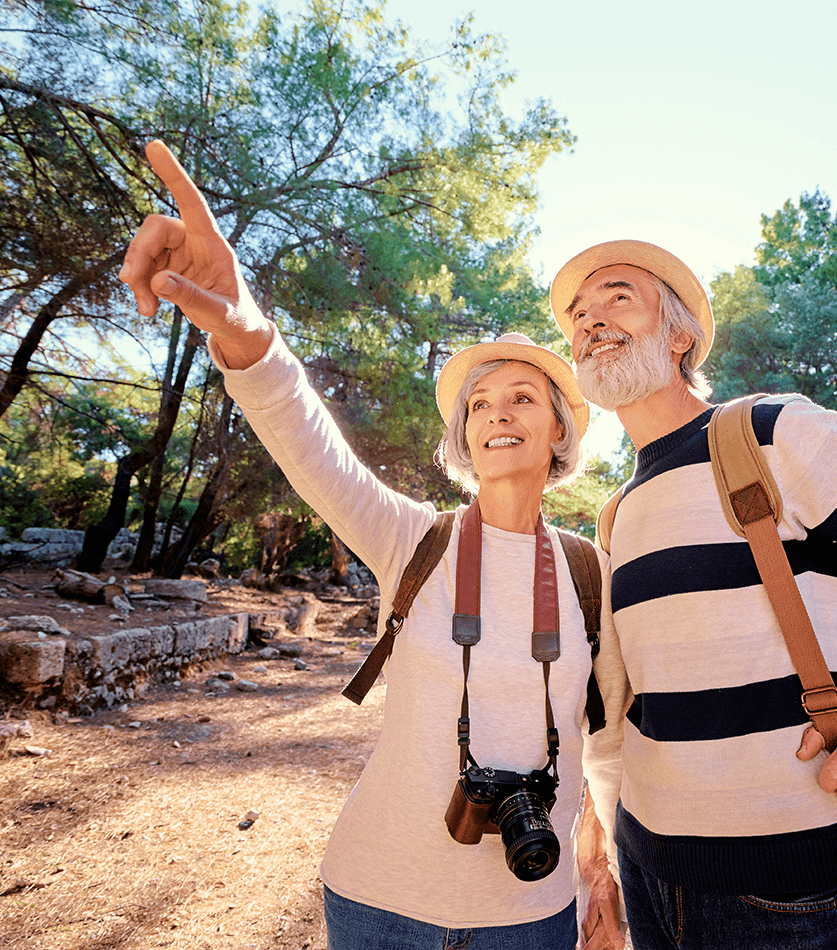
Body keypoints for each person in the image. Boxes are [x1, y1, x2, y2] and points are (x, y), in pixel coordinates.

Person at [118, 140, 628, 950]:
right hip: (377, 900)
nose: (497, 413)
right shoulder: (411, 539)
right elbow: (308, 444)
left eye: (523, 397)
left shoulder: (590, 572)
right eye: (479, 403)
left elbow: (607, 745)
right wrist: (245, 324)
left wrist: (601, 876)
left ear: (559, 431)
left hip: (528, 915)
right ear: (463, 436)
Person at [551, 239, 837, 950]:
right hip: (645, 866)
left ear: (679, 335)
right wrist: (601, 856)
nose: (590, 321)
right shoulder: (619, 512)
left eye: (617, 297)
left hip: (777, 889)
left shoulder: (772, 433)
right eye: (576, 315)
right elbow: (623, 711)